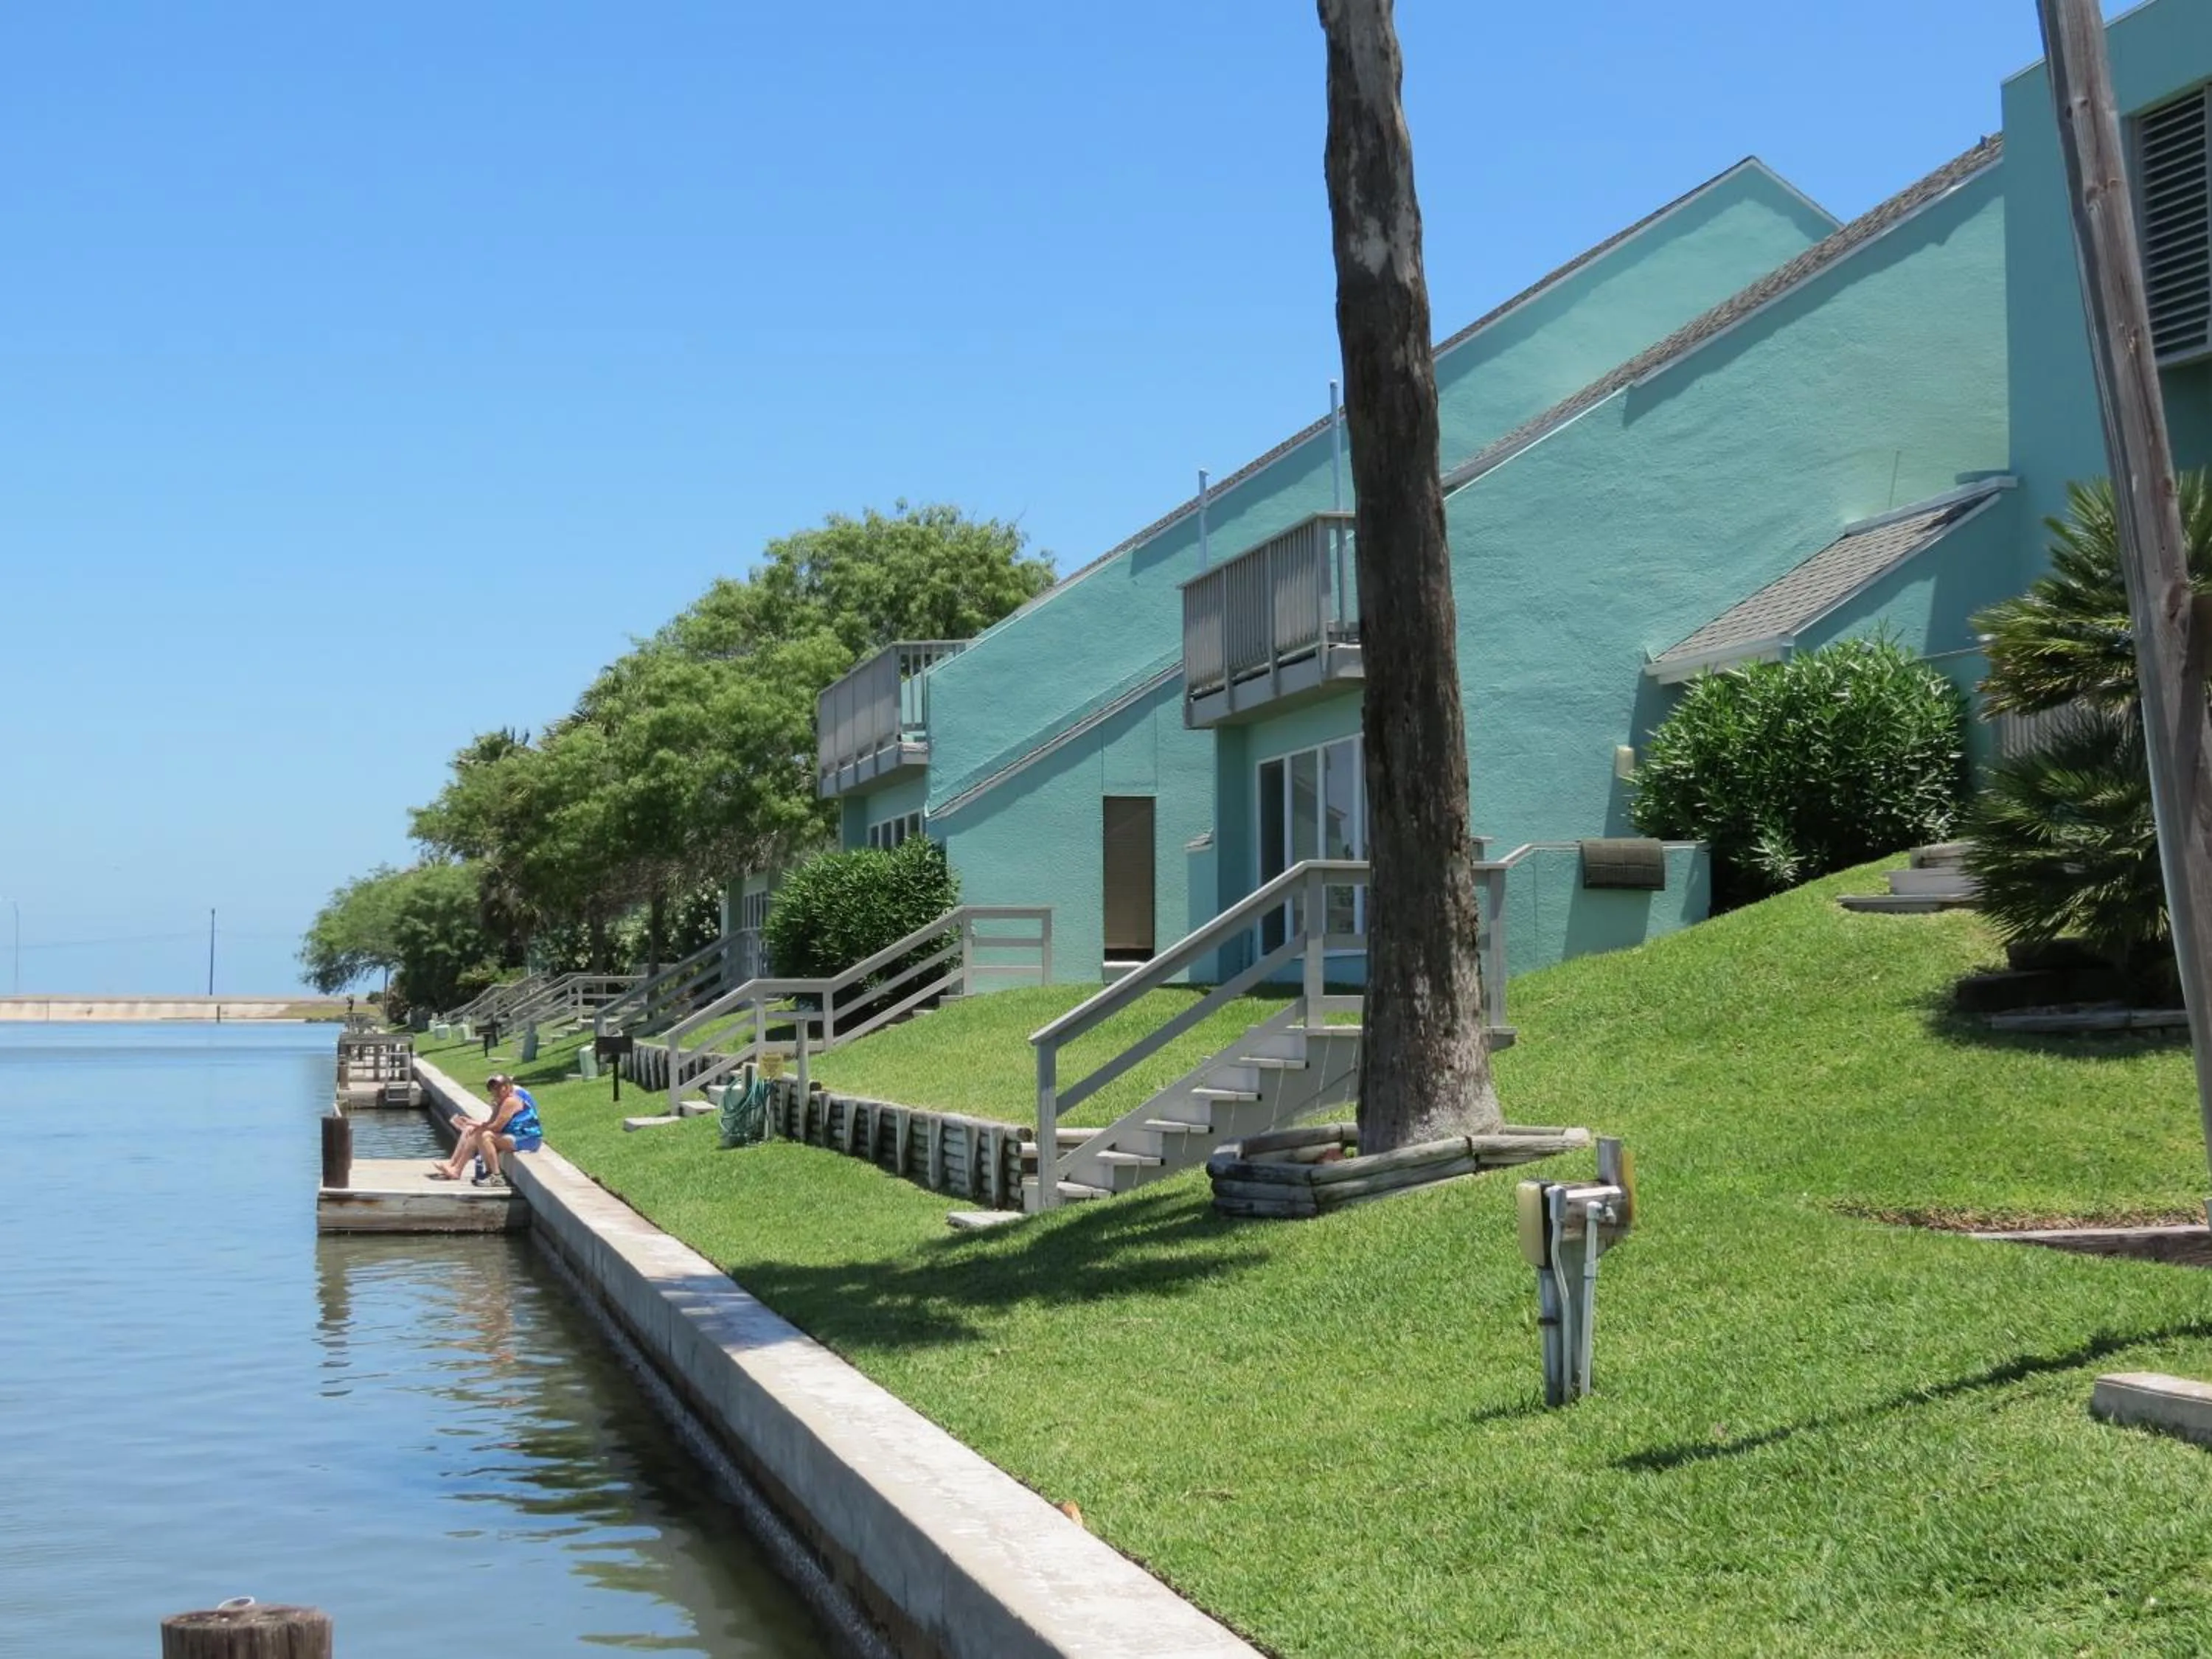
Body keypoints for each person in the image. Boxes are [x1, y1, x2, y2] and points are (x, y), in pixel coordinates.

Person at [430, 1074, 543, 1186]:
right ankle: (453, 1167)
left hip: (528, 1140)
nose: (497, 1090)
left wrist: (480, 1127)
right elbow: (491, 1123)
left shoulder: (511, 1101)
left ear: (508, 1087)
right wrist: (471, 1122)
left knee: (485, 1135)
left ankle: (495, 1176)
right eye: (493, 1088)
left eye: (500, 1087)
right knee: (471, 1129)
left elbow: (497, 1127)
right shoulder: (502, 1101)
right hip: (514, 1135)